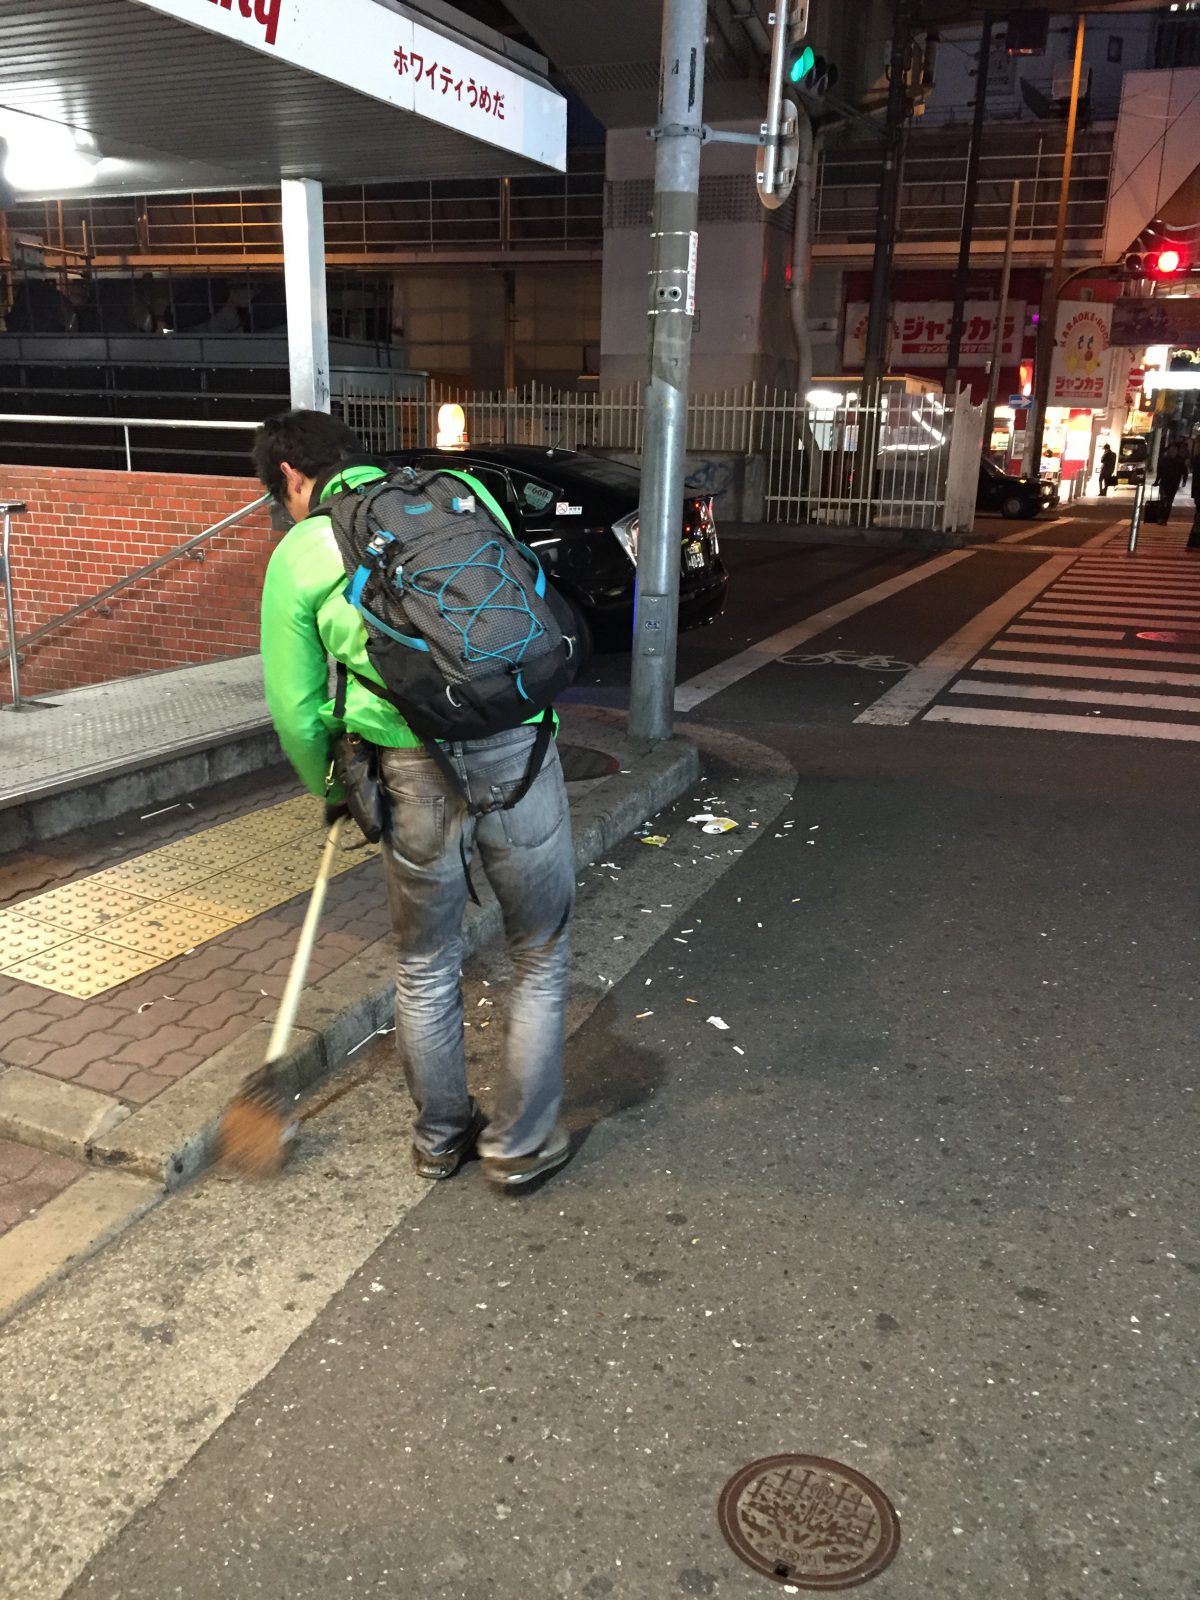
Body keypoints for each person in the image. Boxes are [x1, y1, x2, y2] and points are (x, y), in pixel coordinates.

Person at [252, 410, 575, 1189]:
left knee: (427, 962)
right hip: (521, 745)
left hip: (411, 768)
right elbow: (510, 605)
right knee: (539, 952)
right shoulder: (461, 491)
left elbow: (297, 711)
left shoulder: (301, 550)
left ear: (293, 478)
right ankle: (520, 1146)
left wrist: (331, 787)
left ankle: (440, 1137)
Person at [1154, 440, 1188, 520]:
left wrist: (1184, 481)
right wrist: (1156, 481)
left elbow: (1185, 472)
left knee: (1169, 502)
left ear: (1177, 451)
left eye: (1174, 450)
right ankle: (1160, 518)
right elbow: (1160, 472)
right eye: (1171, 450)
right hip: (1164, 483)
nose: (1173, 451)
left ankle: (1164, 519)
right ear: (1169, 451)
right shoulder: (1165, 460)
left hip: (1174, 484)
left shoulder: (1180, 461)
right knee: (1162, 500)